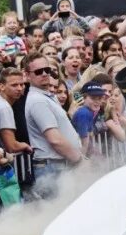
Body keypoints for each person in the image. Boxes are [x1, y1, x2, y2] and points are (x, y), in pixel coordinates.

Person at [23, 55, 82, 189]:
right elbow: (55, 139)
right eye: (38, 71)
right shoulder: (38, 101)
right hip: (52, 167)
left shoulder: (46, 96)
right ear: (27, 75)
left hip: (57, 165)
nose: (44, 74)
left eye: (47, 70)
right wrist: (78, 159)